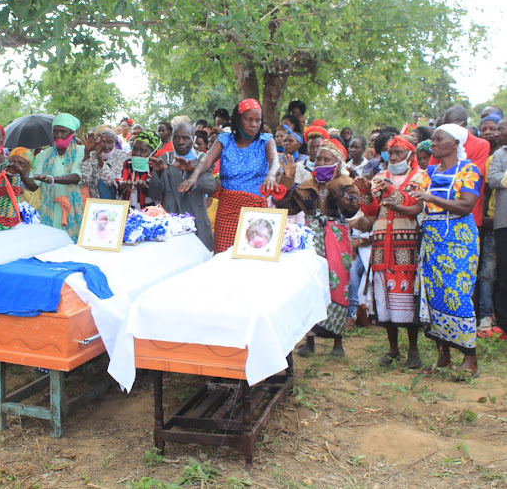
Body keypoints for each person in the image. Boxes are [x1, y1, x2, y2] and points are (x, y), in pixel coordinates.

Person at [275, 140, 360, 357]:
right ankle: (310, 339)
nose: (321, 163)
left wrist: (335, 183)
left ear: (338, 163)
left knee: (338, 282)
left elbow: (350, 210)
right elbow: (285, 207)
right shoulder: (306, 186)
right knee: (311, 283)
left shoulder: (347, 184)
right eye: (319, 159)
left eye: (327, 160)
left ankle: (337, 340)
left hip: (337, 238)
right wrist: (288, 178)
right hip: (311, 238)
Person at [409, 124, 482, 378]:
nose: (433, 144)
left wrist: (431, 199)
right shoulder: (429, 173)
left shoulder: (469, 170)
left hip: (458, 240)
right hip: (431, 240)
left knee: (457, 294)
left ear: (455, 144)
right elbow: (418, 209)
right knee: (434, 294)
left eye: (439, 139)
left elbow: (466, 206)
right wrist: (392, 203)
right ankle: (444, 358)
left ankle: (470, 359)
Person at [356, 136, 426, 368]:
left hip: (406, 245)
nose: (394, 157)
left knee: (407, 295)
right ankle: (393, 348)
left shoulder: (419, 177)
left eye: (398, 153)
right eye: (390, 153)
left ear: (409, 155)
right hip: (381, 245)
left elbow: (417, 206)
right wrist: (366, 191)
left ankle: (413, 351)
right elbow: (371, 209)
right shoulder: (379, 176)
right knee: (385, 296)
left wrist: (393, 192)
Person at [179, 98, 279, 253]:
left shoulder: (266, 140)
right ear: (238, 120)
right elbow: (206, 161)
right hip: (228, 208)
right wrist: (193, 177)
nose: (254, 124)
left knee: (253, 253)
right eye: (249, 119)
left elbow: (274, 160)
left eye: (258, 120)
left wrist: (271, 175)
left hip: (255, 208)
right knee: (224, 253)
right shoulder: (225, 140)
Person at [148, 122, 217, 250]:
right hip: (171, 225)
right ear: (171, 138)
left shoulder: (203, 159)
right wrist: (158, 173)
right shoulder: (164, 159)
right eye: (176, 138)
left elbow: (211, 187)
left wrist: (193, 171)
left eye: (185, 138)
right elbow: (153, 194)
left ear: (193, 139)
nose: (180, 142)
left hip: (198, 224)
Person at [27, 113, 84, 241]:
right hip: (50, 208)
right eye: (55, 131)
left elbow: (76, 177)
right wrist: (19, 173)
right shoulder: (44, 155)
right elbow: (34, 185)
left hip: (73, 207)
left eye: (63, 132)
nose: (58, 135)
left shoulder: (82, 151)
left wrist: (52, 179)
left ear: (72, 133)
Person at [487, 118, 507, 340]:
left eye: (501, 129)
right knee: (504, 275)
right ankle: (503, 323)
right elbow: (493, 179)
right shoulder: (499, 156)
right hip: (504, 223)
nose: (496, 132)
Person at [81, 127, 128, 199]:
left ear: (115, 142)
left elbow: (110, 181)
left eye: (110, 142)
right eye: (101, 142)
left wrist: (100, 159)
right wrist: (87, 152)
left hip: (118, 205)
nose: (106, 146)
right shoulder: (91, 156)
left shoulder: (123, 157)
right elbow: (86, 180)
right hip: (95, 204)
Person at [117, 130, 159, 209]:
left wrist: (145, 187)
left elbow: (157, 192)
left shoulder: (156, 167)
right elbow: (120, 180)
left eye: (143, 150)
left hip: (151, 212)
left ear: (153, 152)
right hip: (129, 211)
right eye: (134, 149)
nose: (137, 153)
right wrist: (122, 185)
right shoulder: (127, 164)